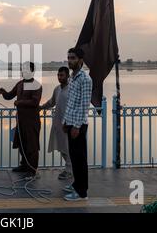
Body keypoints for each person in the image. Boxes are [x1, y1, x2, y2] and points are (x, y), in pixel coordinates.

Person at [0, 62, 42, 178]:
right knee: (22, 145)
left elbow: (35, 102)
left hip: (32, 121)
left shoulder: (36, 85)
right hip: (21, 121)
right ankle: (24, 166)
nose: (24, 71)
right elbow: (10, 96)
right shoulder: (20, 84)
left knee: (32, 146)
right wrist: (3, 92)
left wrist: (20, 102)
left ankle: (32, 170)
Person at [62, 48, 93, 201]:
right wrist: (65, 122)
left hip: (78, 125)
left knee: (80, 159)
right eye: (68, 57)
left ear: (81, 60)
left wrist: (76, 126)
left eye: (73, 58)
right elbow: (71, 103)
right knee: (74, 157)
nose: (70, 60)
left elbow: (84, 105)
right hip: (70, 122)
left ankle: (82, 192)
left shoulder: (85, 79)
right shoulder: (72, 78)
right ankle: (76, 183)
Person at [39, 66, 72, 180]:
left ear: (68, 76)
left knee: (68, 148)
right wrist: (41, 107)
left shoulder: (72, 89)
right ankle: (69, 169)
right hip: (58, 124)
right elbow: (52, 102)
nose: (59, 77)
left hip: (68, 125)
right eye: (58, 75)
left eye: (62, 75)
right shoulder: (57, 89)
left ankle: (69, 171)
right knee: (61, 147)